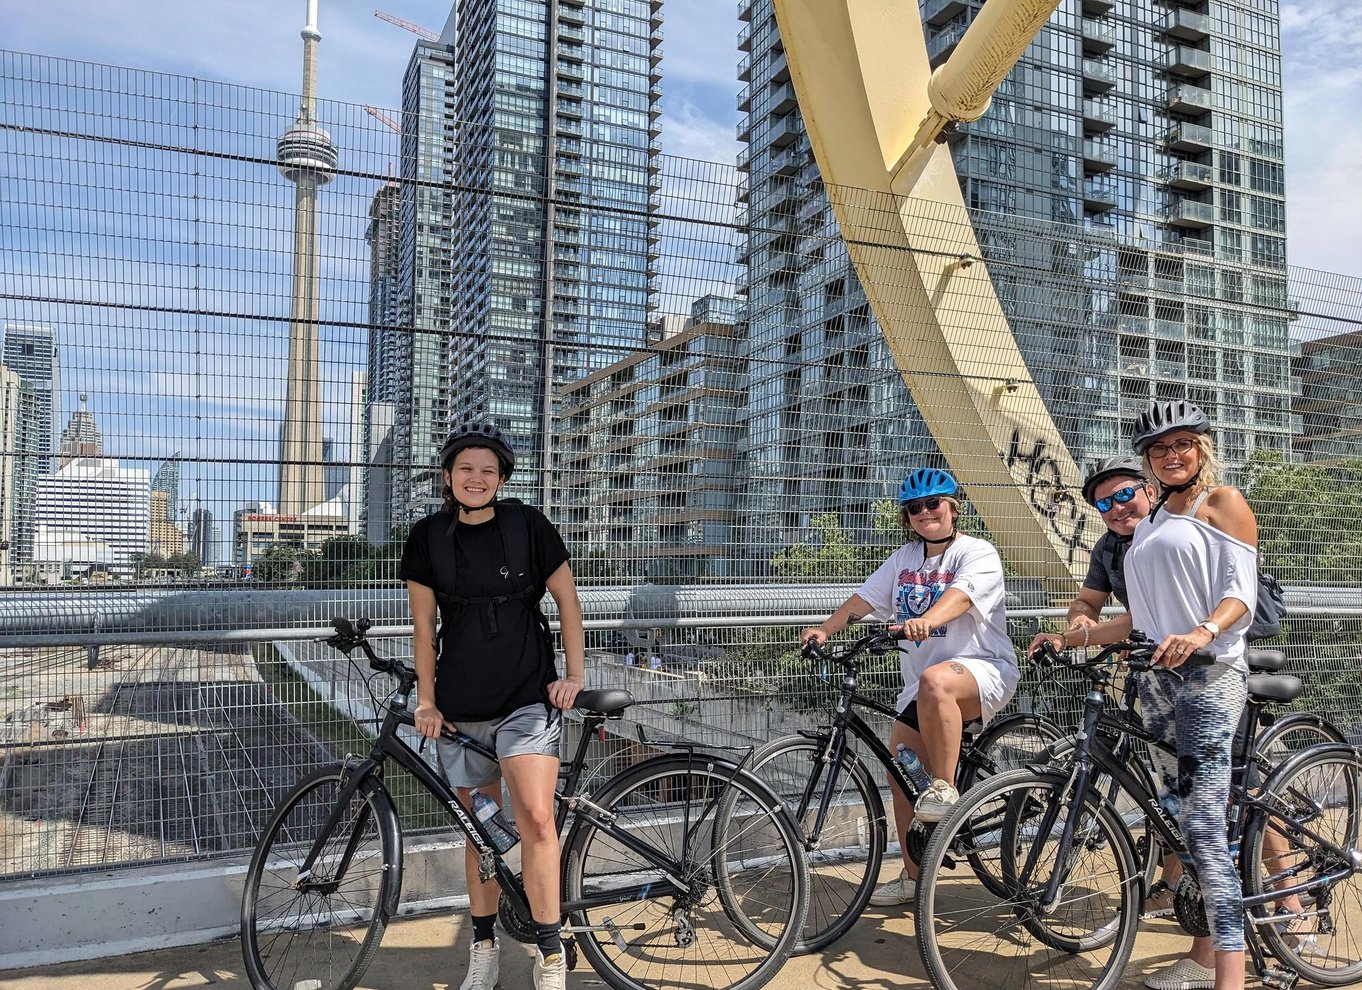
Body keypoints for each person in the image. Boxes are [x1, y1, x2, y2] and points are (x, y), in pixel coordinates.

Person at [1033, 400, 1259, 990]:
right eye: (1159, 448)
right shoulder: (1150, 526)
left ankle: (1229, 978)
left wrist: (1202, 632)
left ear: (1201, 448)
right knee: (1180, 818)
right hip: (1156, 680)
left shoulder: (1221, 502)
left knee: (1204, 827)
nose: (1171, 454)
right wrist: (1070, 638)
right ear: (1148, 462)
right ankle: (1206, 953)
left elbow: (1241, 595)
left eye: (1182, 443)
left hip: (1209, 673)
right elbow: (1140, 619)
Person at [399, 422, 585, 990]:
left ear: (501, 479)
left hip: (526, 697)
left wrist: (575, 675)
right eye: (465, 469)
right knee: (479, 832)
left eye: (488, 470)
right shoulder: (427, 538)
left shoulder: (527, 525)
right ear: (448, 476)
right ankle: (483, 948)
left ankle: (550, 952)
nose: (476, 478)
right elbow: (423, 628)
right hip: (461, 709)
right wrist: (427, 701)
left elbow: (568, 602)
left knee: (536, 819)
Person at [802, 467, 1019, 907]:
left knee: (935, 680)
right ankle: (915, 877)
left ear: (952, 508)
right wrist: (825, 629)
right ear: (907, 517)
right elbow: (864, 600)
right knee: (899, 770)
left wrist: (926, 620)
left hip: (983, 671)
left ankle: (945, 790)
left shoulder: (977, 551)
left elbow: (960, 598)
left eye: (933, 504)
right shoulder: (904, 558)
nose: (925, 513)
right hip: (924, 689)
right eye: (915, 508)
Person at [1030, 456, 1185, 919]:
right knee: (1168, 786)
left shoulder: (1168, 535)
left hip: (1202, 667)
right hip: (1152, 669)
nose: (1117, 508)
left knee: (1233, 785)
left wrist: (1078, 638)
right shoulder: (1110, 547)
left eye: (1124, 495)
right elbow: (1087, 600)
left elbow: (1147, 616)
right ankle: (1175, 884)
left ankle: (1288, 900)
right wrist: (1081, 619)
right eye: (1104, 504)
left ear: (1150, 492)